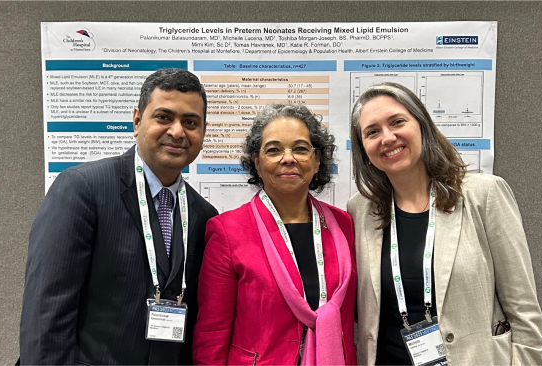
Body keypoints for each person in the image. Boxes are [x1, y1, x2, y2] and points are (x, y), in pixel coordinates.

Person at [19, 68, 218, 365]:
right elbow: (46, 311)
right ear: (137, 121)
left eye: (190, 122)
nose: (177, 132)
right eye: (164, 117)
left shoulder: (203, 215)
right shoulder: (83, 189)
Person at [347, 83, 542, 365]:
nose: (387, 138)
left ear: (422, 125)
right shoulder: (360, 211)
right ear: (363, 148)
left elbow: (524, 312)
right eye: (372, 132)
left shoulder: (483, 195)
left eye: (398, 122)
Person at [193, 104, 357, 365]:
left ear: (317, 161)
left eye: (301, 149)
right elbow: (212, 333)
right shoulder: (226, 231)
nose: (288, 158)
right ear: (257, 163)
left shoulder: (343, 224)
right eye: (274, 150)